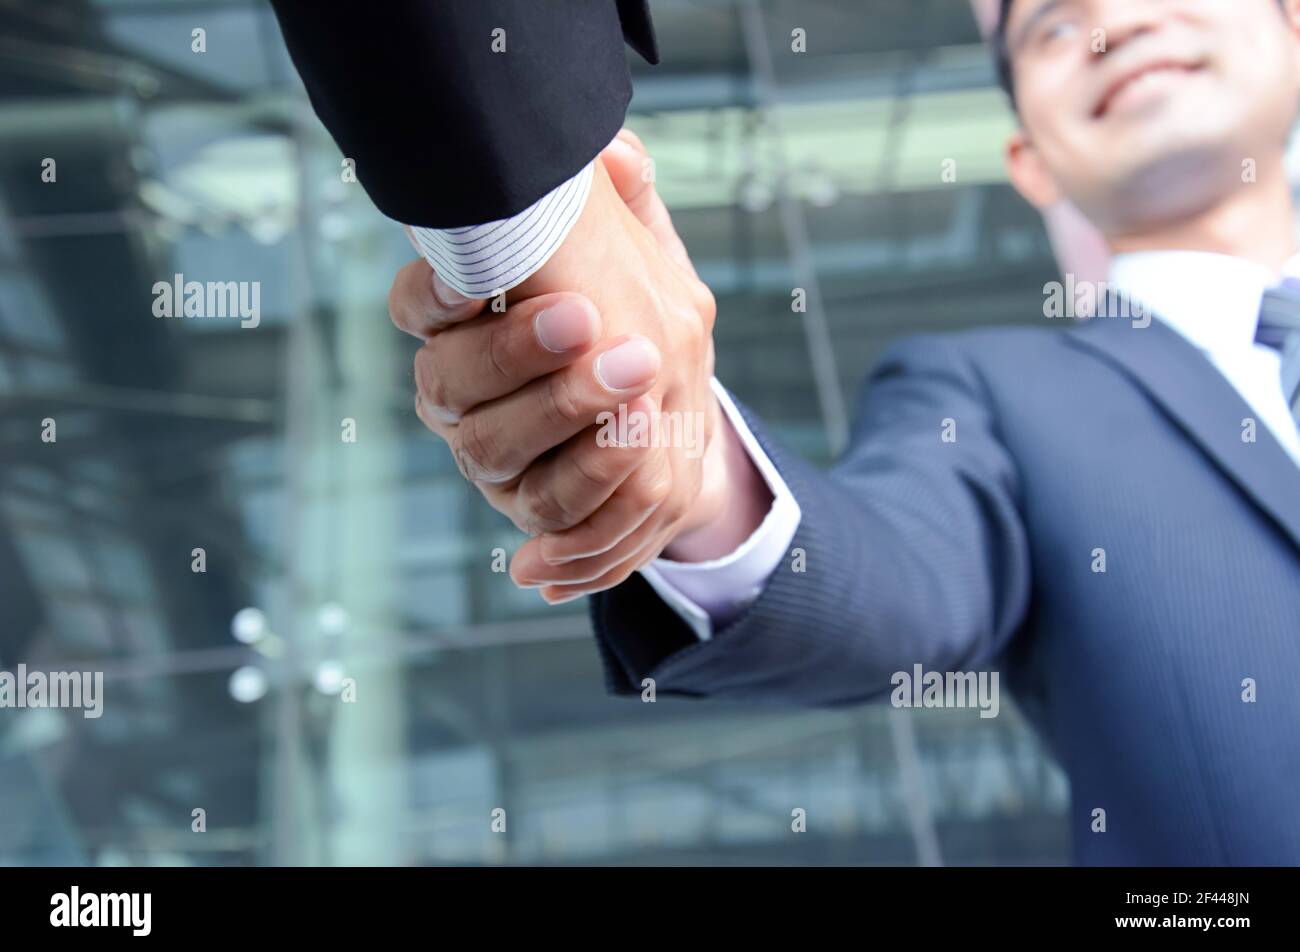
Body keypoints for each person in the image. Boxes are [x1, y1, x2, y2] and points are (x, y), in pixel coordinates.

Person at [284, 0, 1300, 864]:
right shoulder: (998, 398)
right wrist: (682, 472)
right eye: (1051, 28)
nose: (1111, 24)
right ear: (1027, 160)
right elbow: (885, 573)